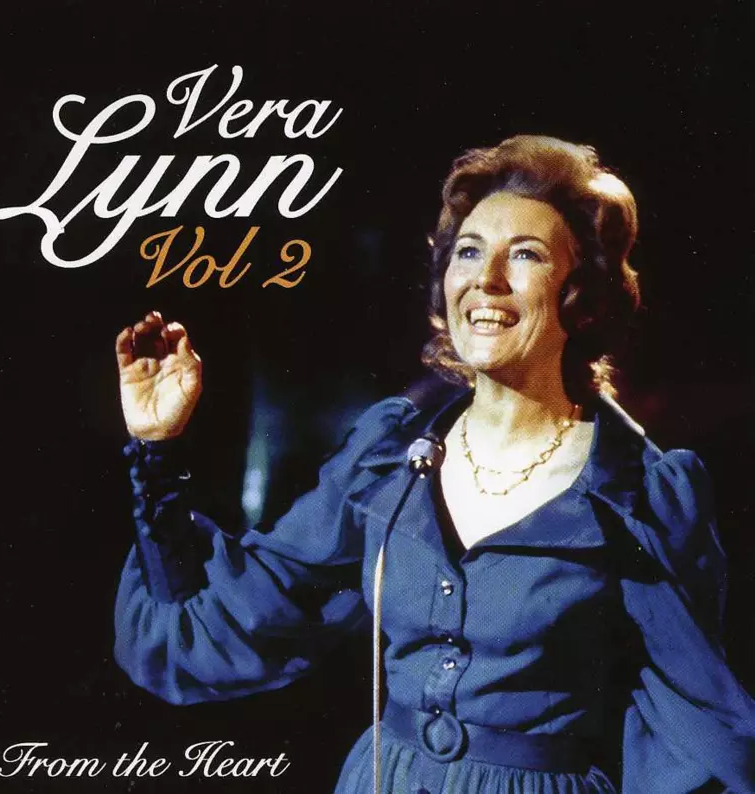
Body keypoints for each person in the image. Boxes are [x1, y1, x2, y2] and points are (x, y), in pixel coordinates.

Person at [113, 136, 755, 793]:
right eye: (468, 251)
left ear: (583, 296)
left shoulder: (638, 495)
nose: (486, 278)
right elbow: (245, 608)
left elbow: (698, 721)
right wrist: (157, 448)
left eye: (526, 254)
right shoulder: (388, 455)